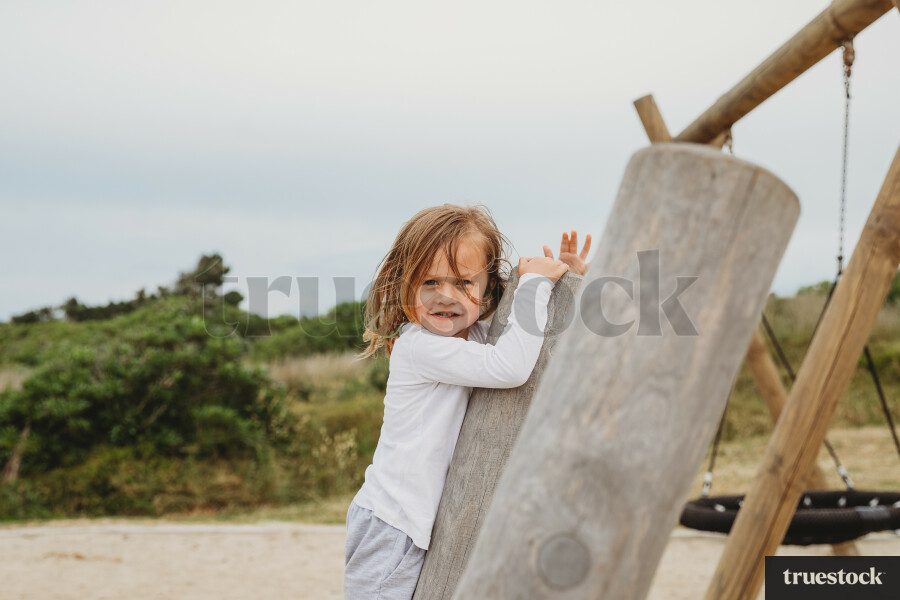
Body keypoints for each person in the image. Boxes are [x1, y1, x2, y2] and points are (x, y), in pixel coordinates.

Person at [343, 204, 589, 599]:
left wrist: (566, 283)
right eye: (429, 283)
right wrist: (534, 285)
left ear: (488, 288)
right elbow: (511, 367)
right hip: (391, 525)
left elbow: (528, 341)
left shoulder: (472, 337)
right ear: (404, 286)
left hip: (416, 525)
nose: (446, 297)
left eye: (463, 283)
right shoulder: (419, 347)